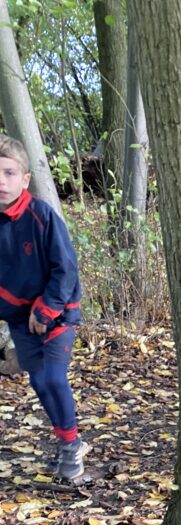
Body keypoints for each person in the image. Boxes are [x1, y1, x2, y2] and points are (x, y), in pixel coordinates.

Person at [0, 135, 87, 480]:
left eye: (8, 173)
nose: (0, 182)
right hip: (20, 319)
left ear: (24, 179)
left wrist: (47, 308)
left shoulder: (41, 216)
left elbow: (65, 267)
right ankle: (70, 441)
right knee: (38, 380)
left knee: (52, 376)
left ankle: (71, 451)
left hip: (57, 314)